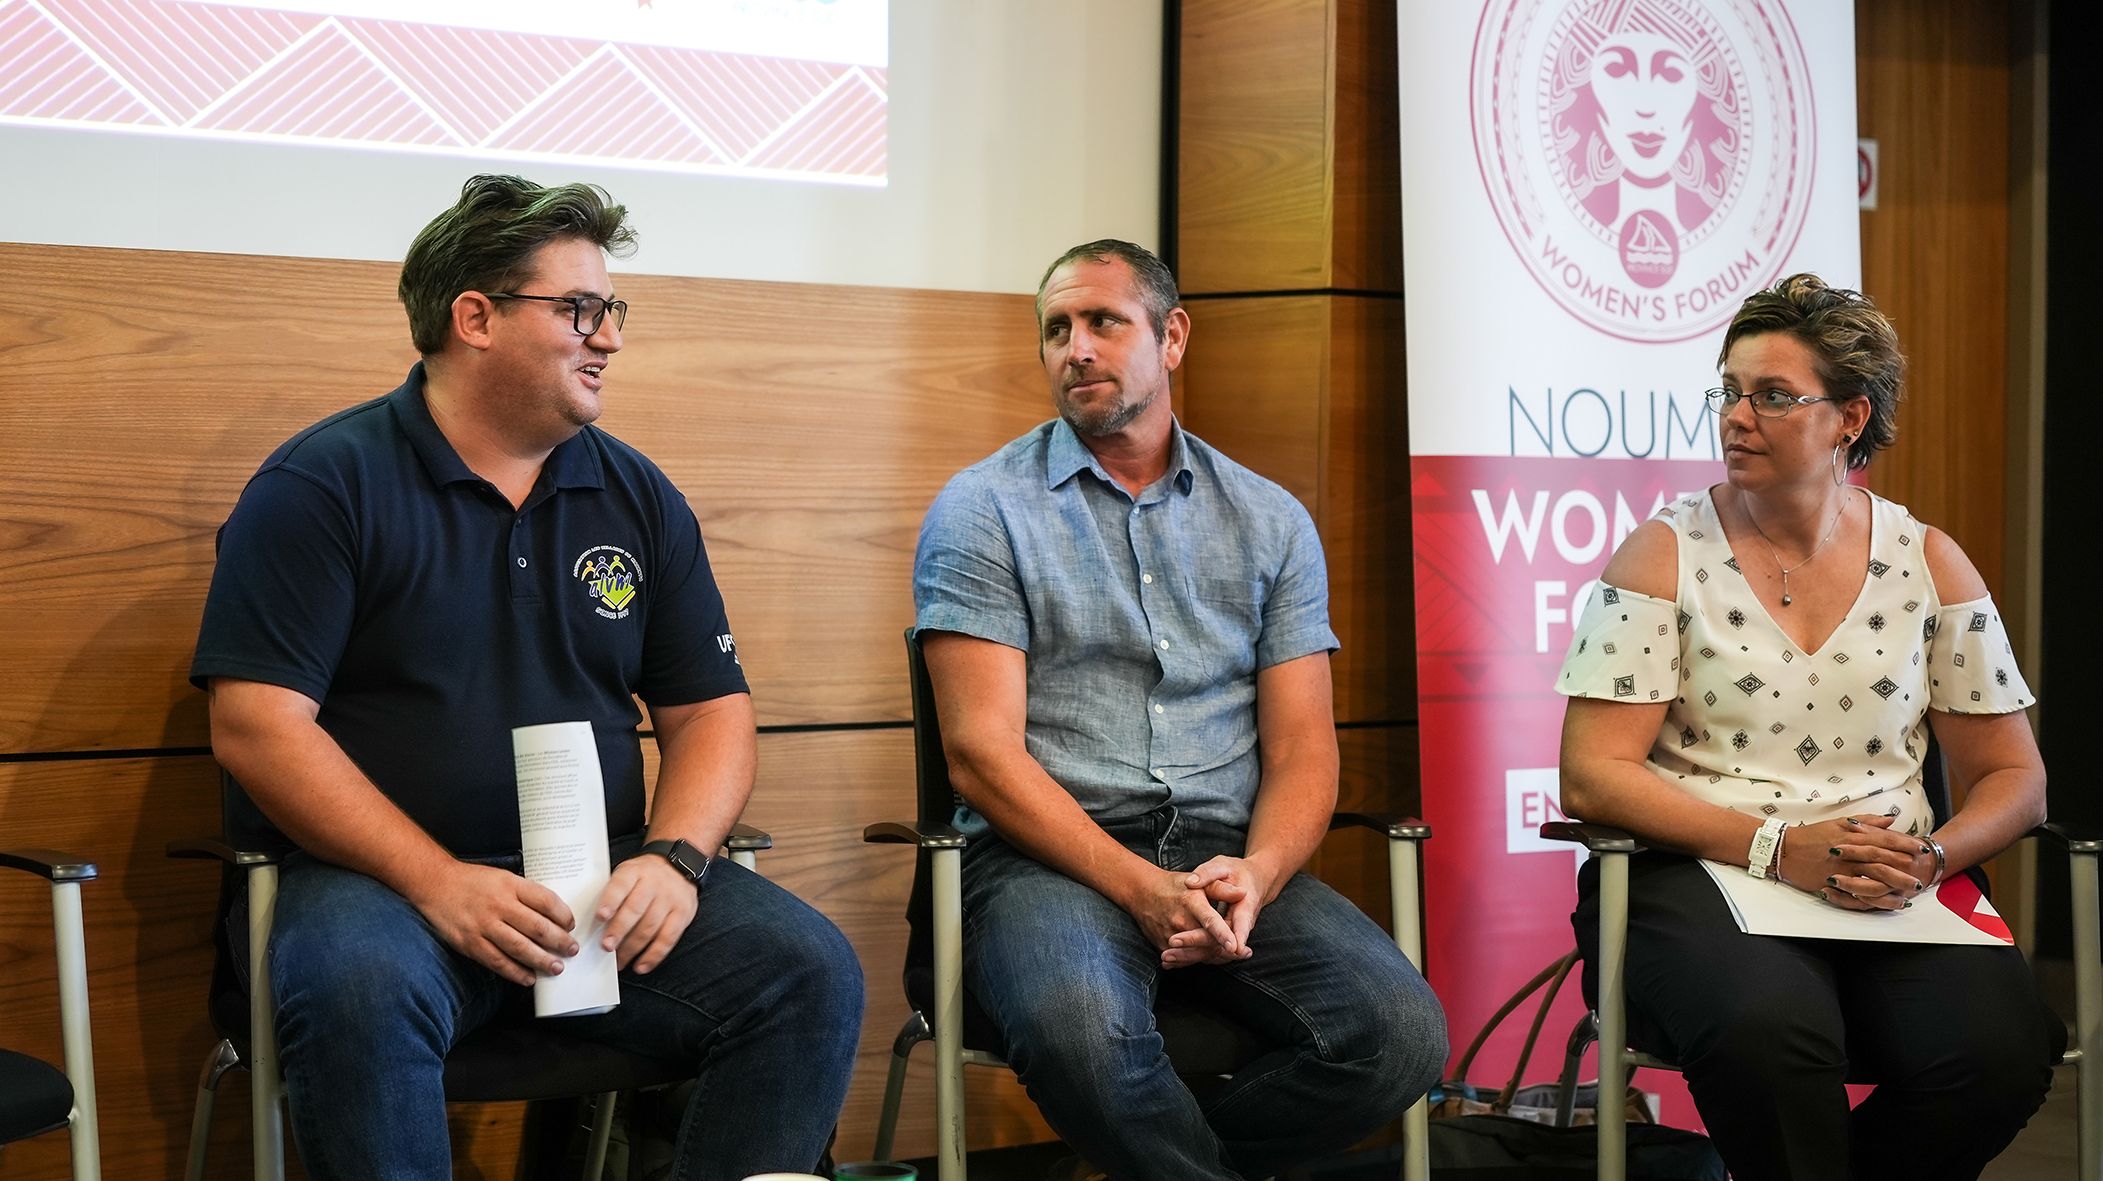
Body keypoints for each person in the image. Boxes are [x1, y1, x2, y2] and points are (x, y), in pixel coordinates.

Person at [190, 175, 862, 1181]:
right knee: (358, 989)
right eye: (579, 309)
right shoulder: (321, 485)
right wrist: (439, 881)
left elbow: (711, 712)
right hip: (381, 889)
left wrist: (674, 859)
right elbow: (257, 726)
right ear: (476, 319)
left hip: (595, 878)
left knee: (807, 971)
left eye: (612, 309)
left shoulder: (635, 492)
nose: (610, 337)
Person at [911, 238, 1448, 1180]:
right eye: (1057, 329)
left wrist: (1263, 870)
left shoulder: (1270, 520)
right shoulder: (983, 509)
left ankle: (1140, 1163)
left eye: (1103, 322)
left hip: (1225, 854)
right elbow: (981, 756)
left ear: (1172, 337)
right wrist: (1138, 886)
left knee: (1402, 1036)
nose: (1076, 348)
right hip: (1049, 857)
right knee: (1084, 1034)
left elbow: (1303, 750)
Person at [1556, 274, 2055, 1180]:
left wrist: (1934, 855)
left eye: (1773, 396)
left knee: (2002, 1053)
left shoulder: (1930, 562)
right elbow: (1593, 775)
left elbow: (2016, 778)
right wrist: (1777, 846)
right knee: (1770, 1034)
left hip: (1890, 876)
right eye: (1729, 391)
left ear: (1849, 419)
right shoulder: (1664, 554)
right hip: (1700, 867)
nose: (1736, 417)